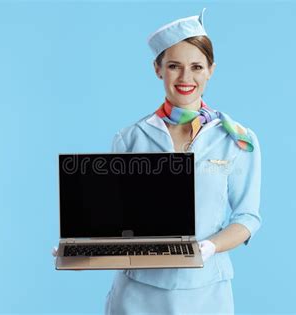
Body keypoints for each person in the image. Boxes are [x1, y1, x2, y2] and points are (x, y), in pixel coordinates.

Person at [53, 8, 262, 314]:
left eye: (196, 66)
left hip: (206, 292)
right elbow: (114, 221)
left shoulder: (237, 140)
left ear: (211, 70)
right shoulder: (131, 138)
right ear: (158, 68)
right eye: (174, 66)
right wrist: (82, 252)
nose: (186, 78)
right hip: (138, 292)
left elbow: (247, 218)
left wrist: (209, 246)